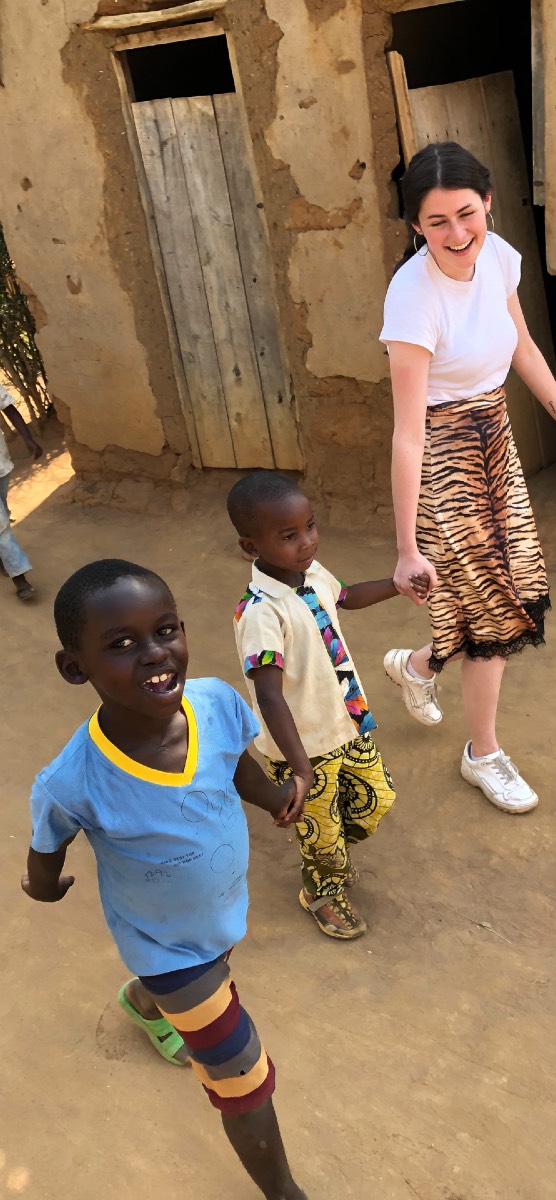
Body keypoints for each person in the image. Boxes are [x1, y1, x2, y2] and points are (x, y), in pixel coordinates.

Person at [21, 558, 309, 1200]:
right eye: (120, 645)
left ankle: (144, 1004)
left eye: (166, 630)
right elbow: (48, 846)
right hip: (167, 949)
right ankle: (286, 1193)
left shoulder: (214, 702)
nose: (155, 655)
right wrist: (41, 885)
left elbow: (236, 764)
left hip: (218, 914)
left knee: (218, 954)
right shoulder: (73, 779)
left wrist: (271, 797)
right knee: (240, 1071)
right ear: (76, 668)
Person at [380, 141, 556, 814]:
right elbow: (408, 432)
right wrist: (406, 547)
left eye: (466, 214)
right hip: (444, 464)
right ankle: (483, 754)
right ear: (415, 225)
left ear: (487, 205)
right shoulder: (411, 299)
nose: (456, 234)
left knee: (501, 594)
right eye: (436, 222)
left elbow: (523, 348)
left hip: (494, 443)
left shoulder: (498, 257)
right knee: (494, 613)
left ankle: (415, 667)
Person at [228, 471, 428, 940]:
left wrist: (397, 585)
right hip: (303, 747)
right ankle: (321, 888)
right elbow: (269, 695)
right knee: (323, 835)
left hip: (346, 722)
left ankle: (326, 847)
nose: (307, 542)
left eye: (311, 526)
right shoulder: (259, 611)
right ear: (250, 546)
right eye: (289, 536)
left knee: (377, 798)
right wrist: (300, 769)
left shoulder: (311, 574)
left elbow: (346, 597)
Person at [0, 381, 42, 599]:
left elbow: (8, 408)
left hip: (1, 465)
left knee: (3, 513)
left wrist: (28, 439)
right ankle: (21, 579)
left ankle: (2, 558)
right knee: (2, 526)